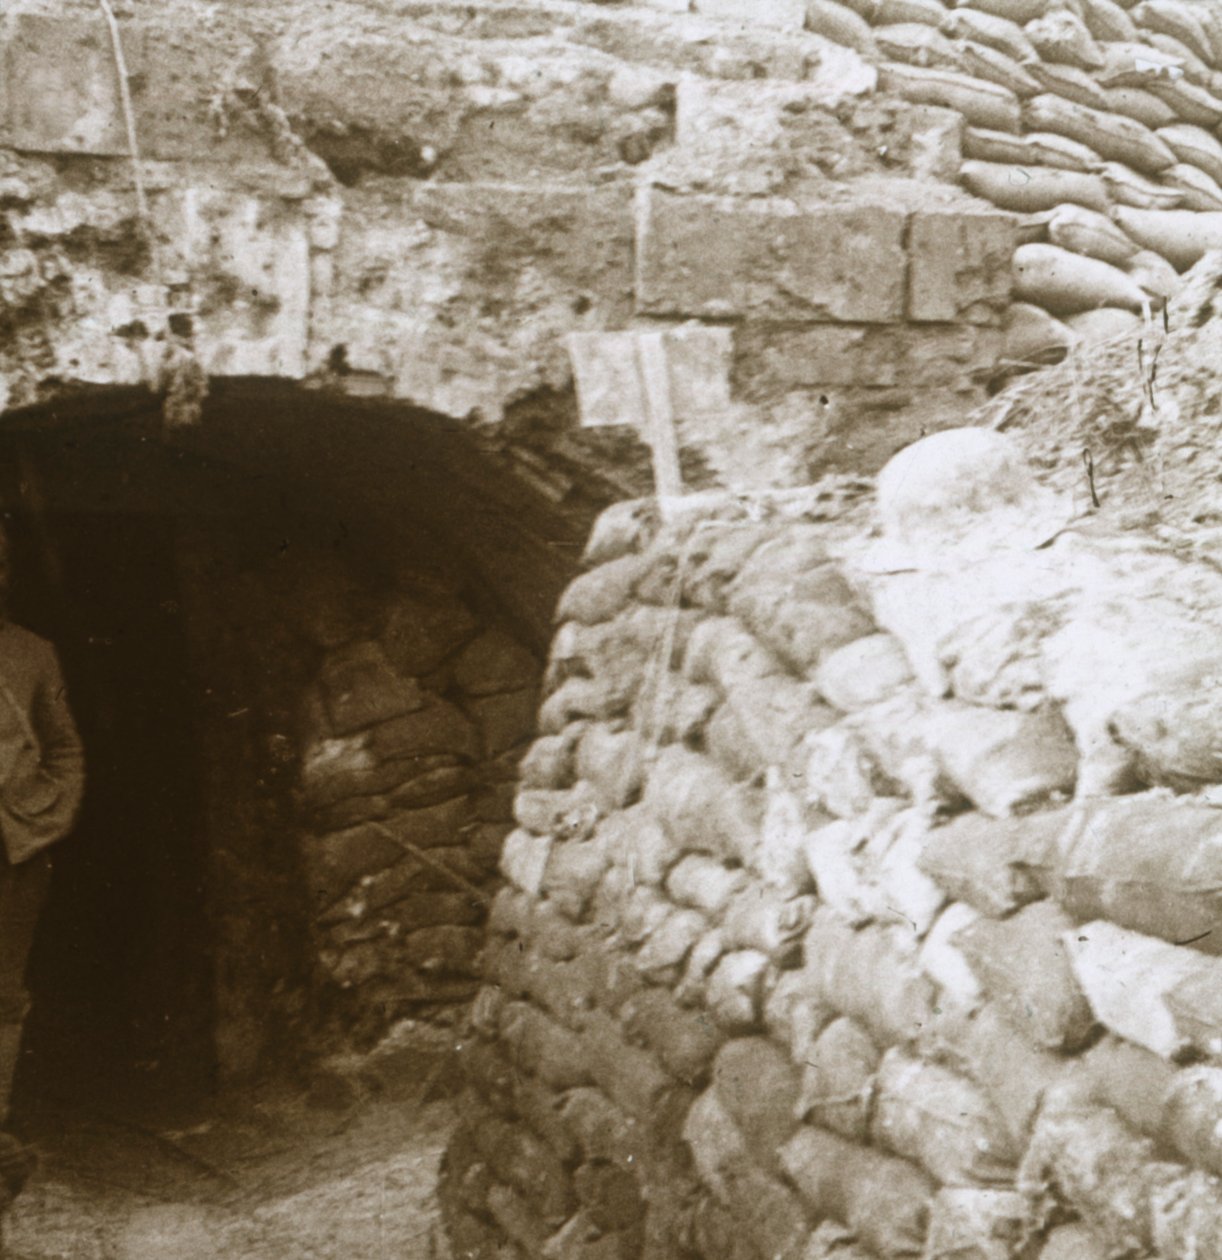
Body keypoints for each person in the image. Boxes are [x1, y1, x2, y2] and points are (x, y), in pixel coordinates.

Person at [0, 523, 85, 1200]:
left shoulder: (32, 654)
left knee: (4, 996)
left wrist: (47, 818)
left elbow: (64, 747)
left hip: (15, 854)